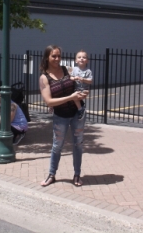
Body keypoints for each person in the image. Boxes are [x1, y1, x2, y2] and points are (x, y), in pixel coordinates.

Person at [39, 45, 89, 187]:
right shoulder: (44, 77)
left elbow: (81, 85)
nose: (57, 59)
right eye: (53, 56)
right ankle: (51, 174)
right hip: (60, 116)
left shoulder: (68, 70)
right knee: (57, 145)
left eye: (59, 56)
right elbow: (49, 101)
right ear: (47, 57)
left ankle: (77, 174)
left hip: (77, 114)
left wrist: (84, 93)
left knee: (78, 144)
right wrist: (70, 97)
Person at [70, 50, 93, 120]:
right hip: (76, 89)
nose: (81, 58)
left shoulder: (88, 71)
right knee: (73, 97)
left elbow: (90, 81)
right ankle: (80, 109)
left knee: (75, 98)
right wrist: (74, 78)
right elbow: (70, 77)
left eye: (84, 57)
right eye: (79, 57)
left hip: (84, 89)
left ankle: (80, 109)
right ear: (76, 60)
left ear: (87, 61)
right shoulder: (74, 69)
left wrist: (83, 79)